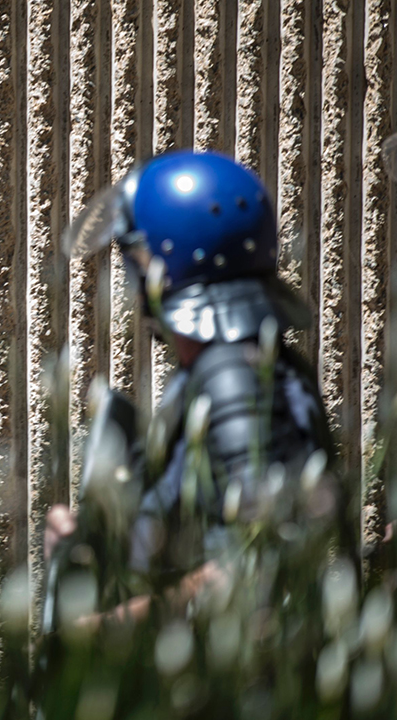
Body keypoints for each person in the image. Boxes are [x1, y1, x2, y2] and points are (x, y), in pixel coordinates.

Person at [44, 150, 337, 632]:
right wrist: (99, 550)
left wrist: (102, 630)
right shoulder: (233, 367)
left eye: (134, 260)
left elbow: (257, 567)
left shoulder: (233, 380)